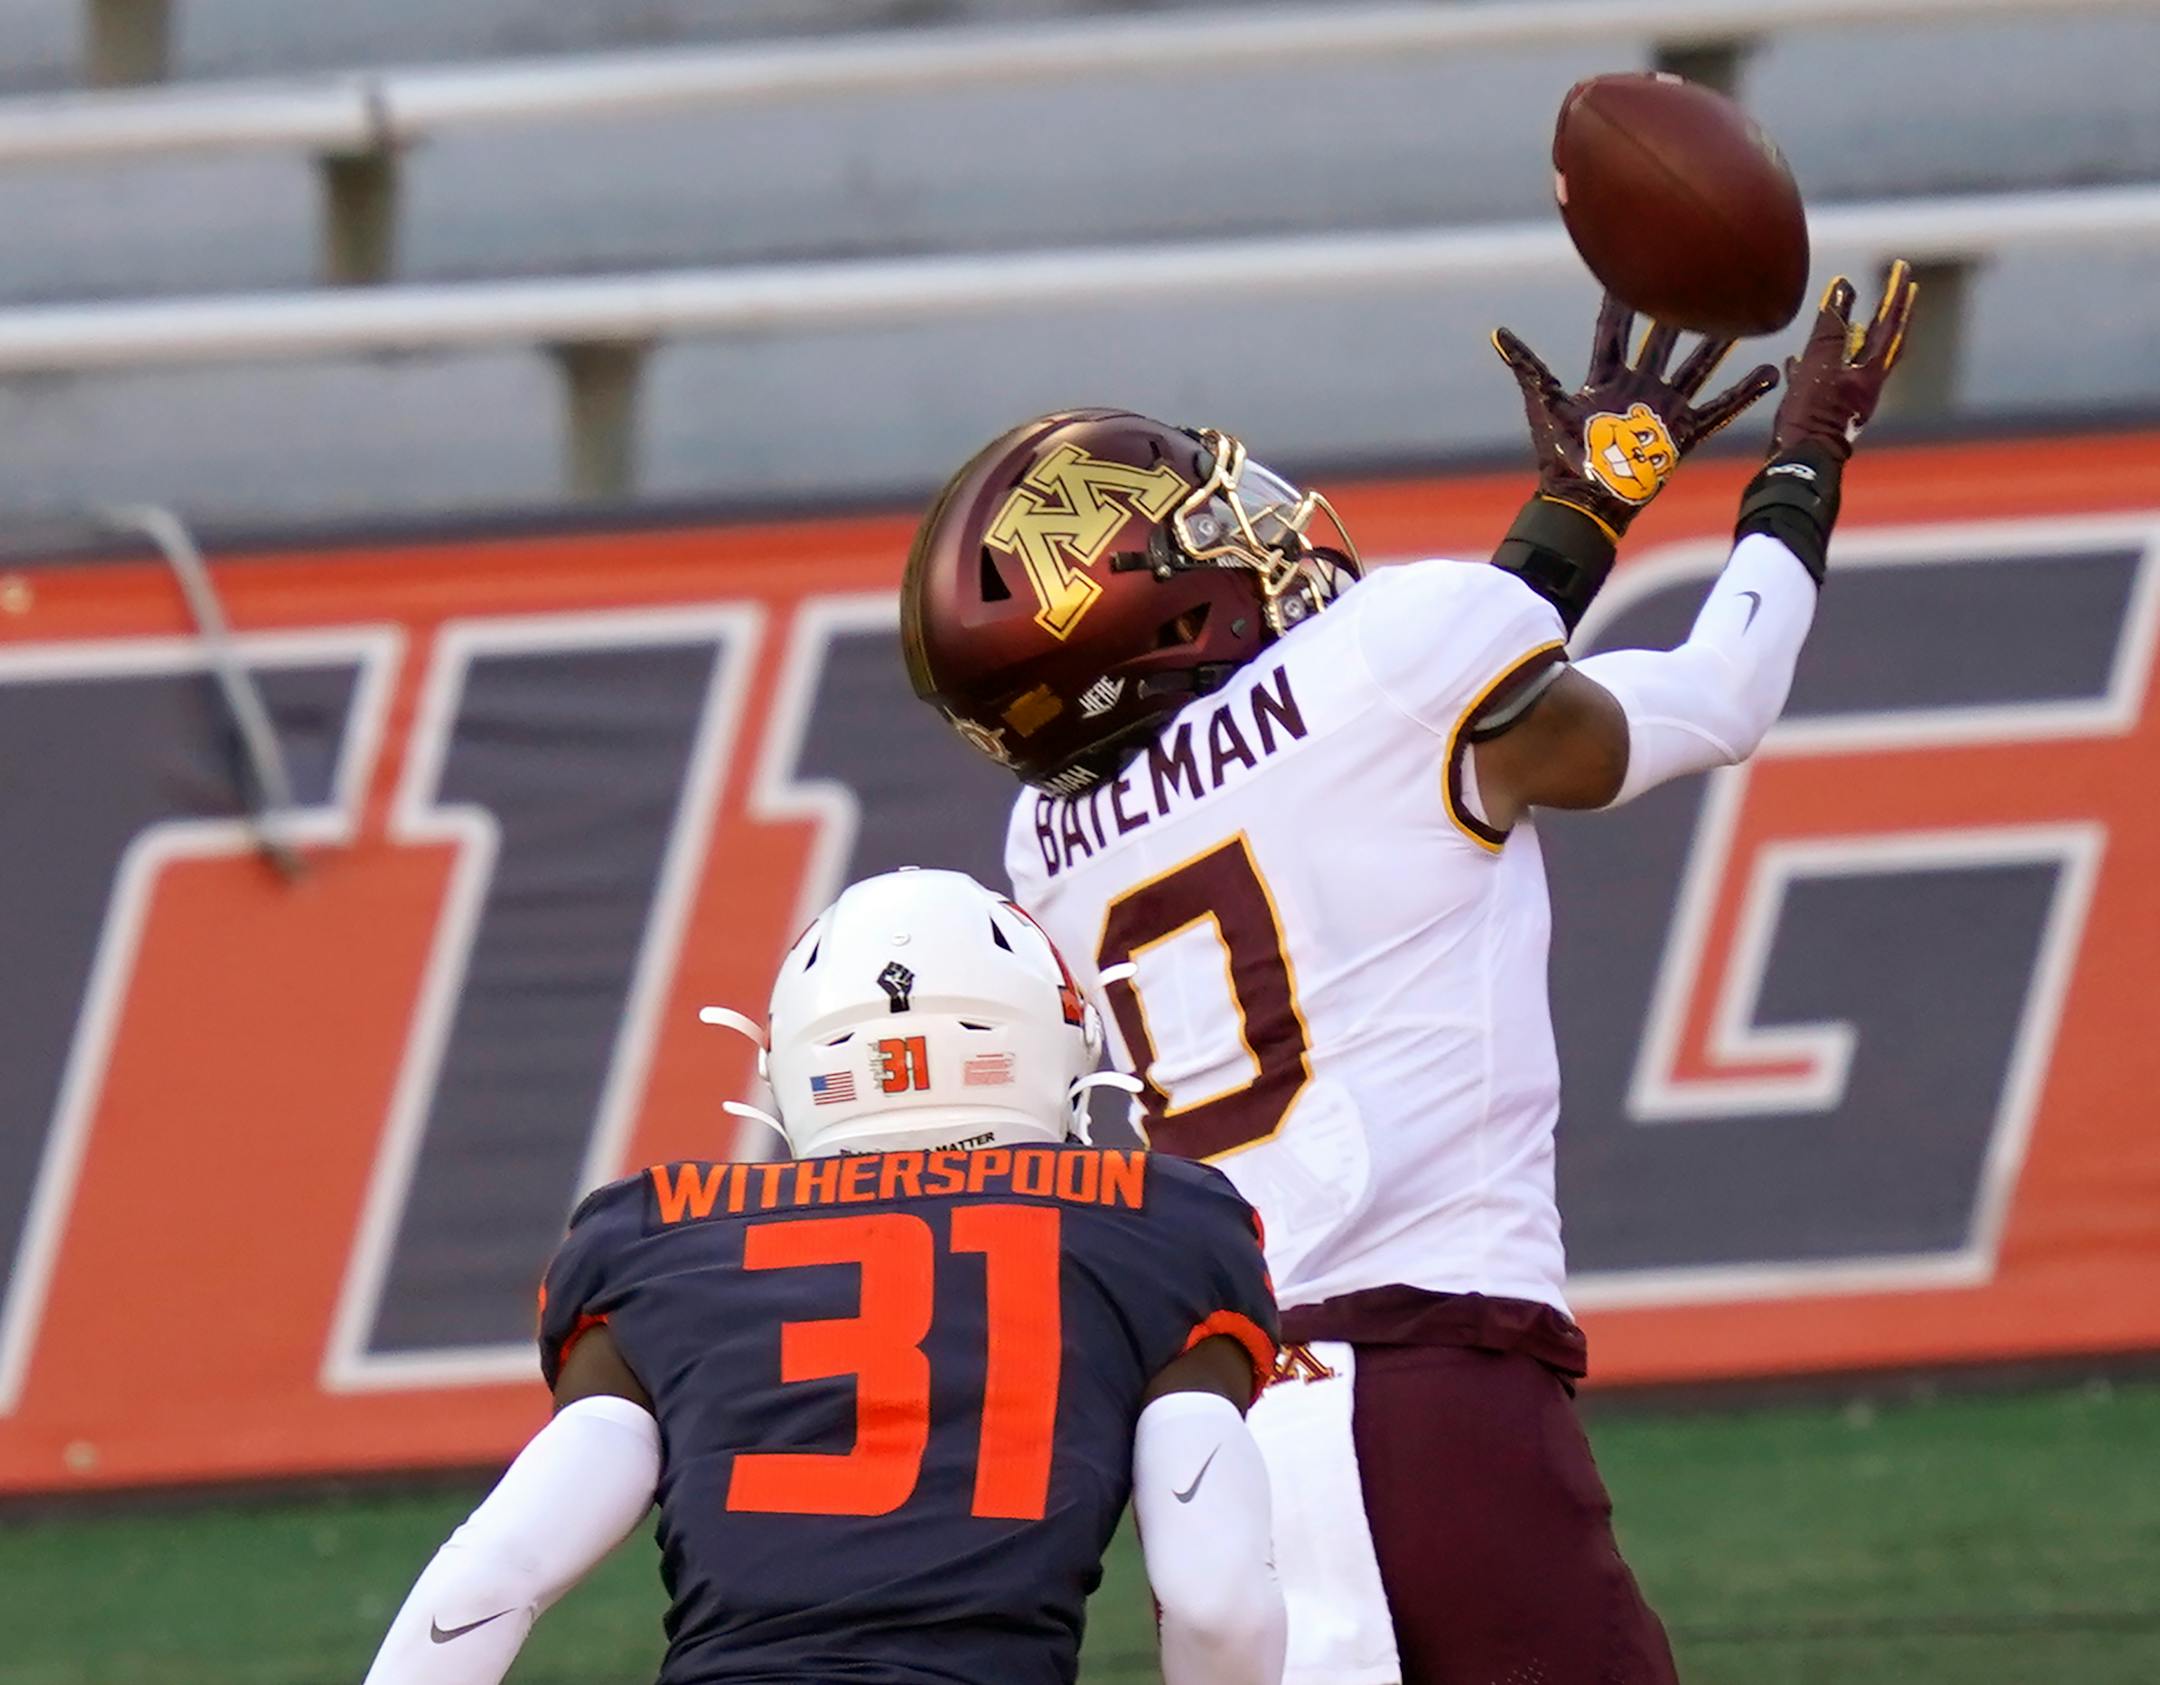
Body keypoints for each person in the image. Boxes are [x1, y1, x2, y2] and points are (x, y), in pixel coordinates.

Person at [898, 268, 1919, 1685]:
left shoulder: (1049, 844)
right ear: (1165, 609)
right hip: (1434, 1387)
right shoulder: (1396, 666)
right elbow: (1706, 698)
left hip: (1227, 1439)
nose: (1255, 528)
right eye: (1209, 526)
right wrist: (1803, 464)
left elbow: (1372, 741)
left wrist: (1582, 513)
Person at [361, 868, 1285, 1685]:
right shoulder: (1157, 1225)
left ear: (792, 1063)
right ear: (1050, 1035)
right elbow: (1216, 1601)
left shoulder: (656, 1236)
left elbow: (490, 1579)